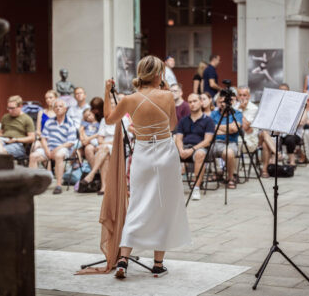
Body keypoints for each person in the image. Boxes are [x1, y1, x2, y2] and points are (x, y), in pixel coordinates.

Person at [102, 55, 191, 279]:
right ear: (159, 74)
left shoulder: (128, 99)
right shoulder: (167, 95)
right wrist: (165, 90)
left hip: (142, 153)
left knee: (138, 203)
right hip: (164, 152)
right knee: (164, 205)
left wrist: (106, 92)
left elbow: (108, 119)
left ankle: (123, 259)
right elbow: (172, 125)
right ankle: (158, 264)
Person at [80, 97, 131, 196]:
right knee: (105, 155)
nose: (112, 105)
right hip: (105, 147)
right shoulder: (105, 120)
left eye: (114, 103)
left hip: (118, 146)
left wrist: (105, 144)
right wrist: (104, 144)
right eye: (110, 103)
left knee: (104, 149)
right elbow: (100, 139)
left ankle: (92, 174)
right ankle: (104, 187)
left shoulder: (124, 119)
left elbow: (122, 139)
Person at [28, 99, 78, 195]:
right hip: (49, 148)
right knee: (33, 156)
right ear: (54, 110)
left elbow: (70, 142)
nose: (58, 108)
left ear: (65, 109)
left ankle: (58, 185)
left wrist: (57, 149)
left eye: (60, 106)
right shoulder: (49, 122)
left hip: (63, 148)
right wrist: (47, 151)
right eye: (56, 107)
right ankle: (33, 185)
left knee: (59, 155)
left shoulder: (70, 122)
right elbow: (43, 138)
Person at [176, 94, 215, 200]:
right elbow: (178, 138)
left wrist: (192, 150)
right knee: (169, 153)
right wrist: (180, 150)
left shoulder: (208, 120)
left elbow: (207, 141)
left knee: (200, 154)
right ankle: (171, 187)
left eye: (195, 101)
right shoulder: (183, 120)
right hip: (185, 147)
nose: (192, 104)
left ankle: (196, 188)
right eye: (190, 102)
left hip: (200, 148)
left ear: (201, 102)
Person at [211, 94, 243, 189]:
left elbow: (234, 129)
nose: (222, 104)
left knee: (229, 153)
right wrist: (229, 128)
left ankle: (230, 178)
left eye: (224, 102)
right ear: (217, 103)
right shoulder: (213, 114)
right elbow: (211, 129)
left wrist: (218, 127)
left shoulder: (237, 113)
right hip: (216, 142)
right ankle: (221, 173)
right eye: (220, 102)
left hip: (232, 142)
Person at [234, 86, 259, 153]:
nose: (242, 97)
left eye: (244, 95)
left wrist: (241, 110)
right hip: (236, 138)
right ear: (237, 96)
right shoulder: (234, 107)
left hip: (250, 140)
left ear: (249, 96)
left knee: (230, 146)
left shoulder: (254, 108)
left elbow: (246, 128)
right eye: (240, 95)